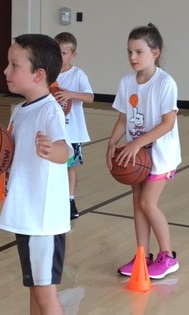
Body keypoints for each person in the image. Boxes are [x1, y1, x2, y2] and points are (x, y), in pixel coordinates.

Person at [0, 34, 72, 315]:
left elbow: (65, 150)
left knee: (46, 293)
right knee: (34, 286)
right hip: (25, 214)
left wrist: (50, 149)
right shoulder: (20, 110)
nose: (5, 70)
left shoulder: (49, 111)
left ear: (38, 75)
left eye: (14, 65)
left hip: (43, 222)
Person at [106, 23, 181, 279]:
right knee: (138, 205)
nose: (132, 57)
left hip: (160, 154)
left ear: (155, 52)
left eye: (138, 52)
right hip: (135, 156)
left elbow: (168, 123)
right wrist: (112, 143)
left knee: (148, 203)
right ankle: (142, 255)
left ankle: (168, 257)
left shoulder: (165, 83)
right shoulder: (127, 82)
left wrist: (136, 143)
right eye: (129, 52)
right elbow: (122, 118)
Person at [54, 32, 94, 220]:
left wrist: (71, 94)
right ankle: (54, 200)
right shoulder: (48, 73)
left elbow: (90, 97)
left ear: (73, 55)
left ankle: (70, 201)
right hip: (54, 132)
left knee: (70, 168)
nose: (59, 56)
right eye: (56, 51)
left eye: (63, 52)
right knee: (53, 168)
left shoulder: (78, 75)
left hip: (73, 133)